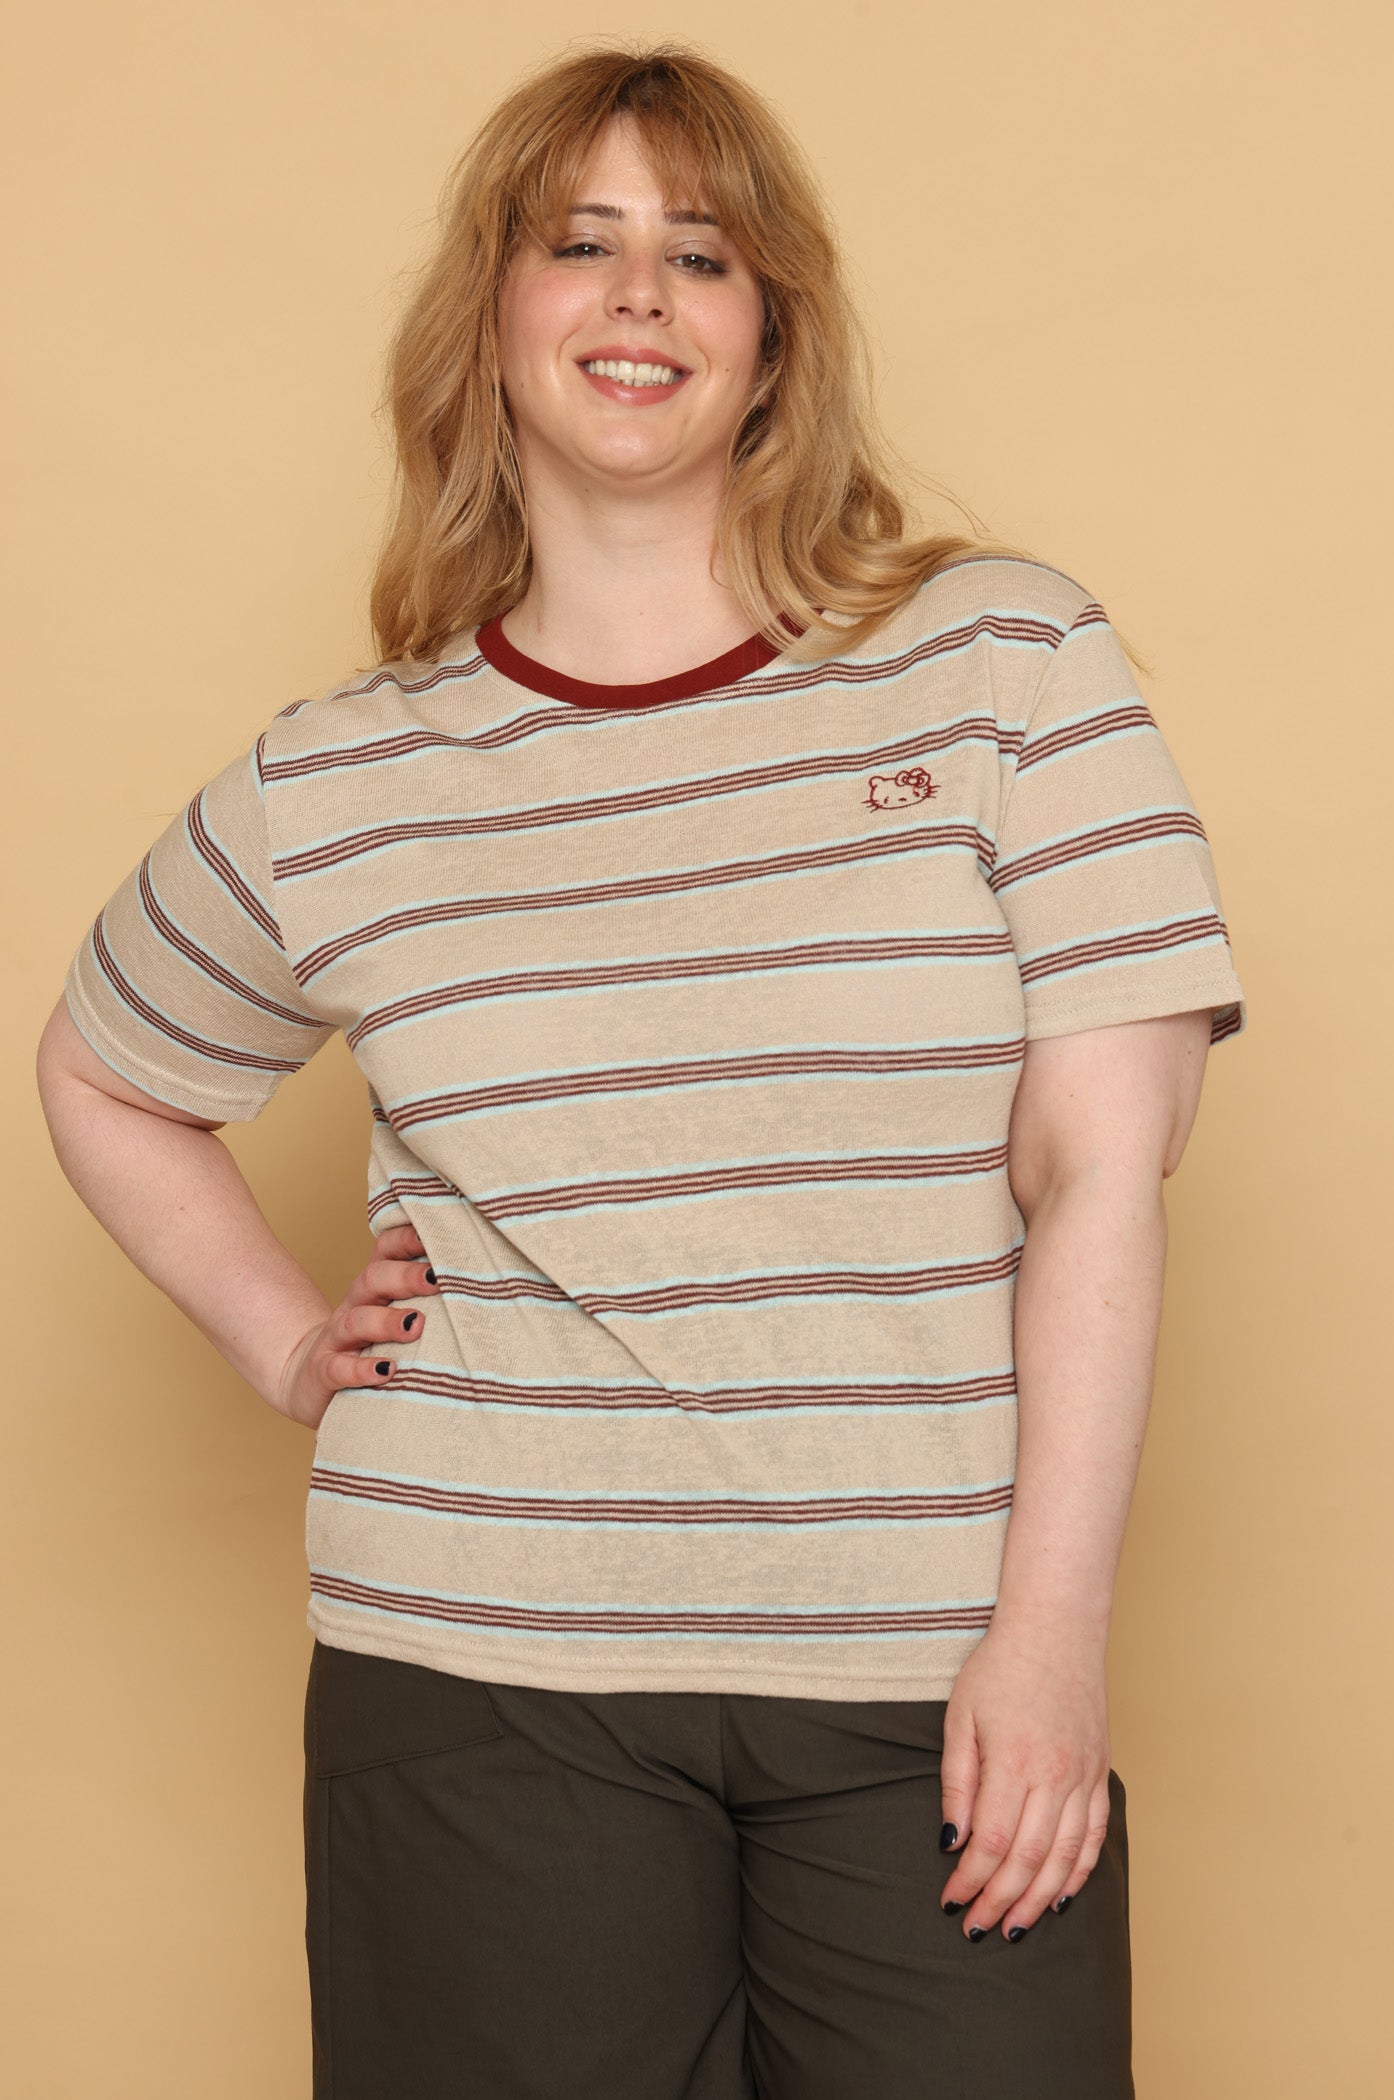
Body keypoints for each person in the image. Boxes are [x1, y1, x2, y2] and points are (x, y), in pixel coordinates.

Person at [36, 42, 1247, 2100]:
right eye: (577, 242)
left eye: (699, 253)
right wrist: (282, 1338)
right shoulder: (343, 780)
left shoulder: (1008, 664)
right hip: (474, 1673)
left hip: (928, 1661)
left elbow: (1100, 1173)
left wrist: (1047, 1637)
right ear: (491, 319)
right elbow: (105, 1070)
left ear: (771, 338)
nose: (636, 296)